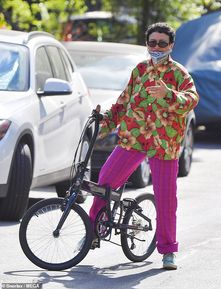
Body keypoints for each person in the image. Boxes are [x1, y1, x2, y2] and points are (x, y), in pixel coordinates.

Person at [89, 22, 199, 270]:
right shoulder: (139, 70)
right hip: (134, 138)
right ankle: (93, 230)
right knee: (105, 181)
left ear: (171, 45)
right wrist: (103, 123)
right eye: (152, 42)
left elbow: (192, 100)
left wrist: (169, 94)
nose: (156, 47)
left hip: (164, 143)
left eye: (162, 43)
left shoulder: (179, 74)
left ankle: (168, 251)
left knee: (166, 198)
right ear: (147, 44)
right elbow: (123, 102)